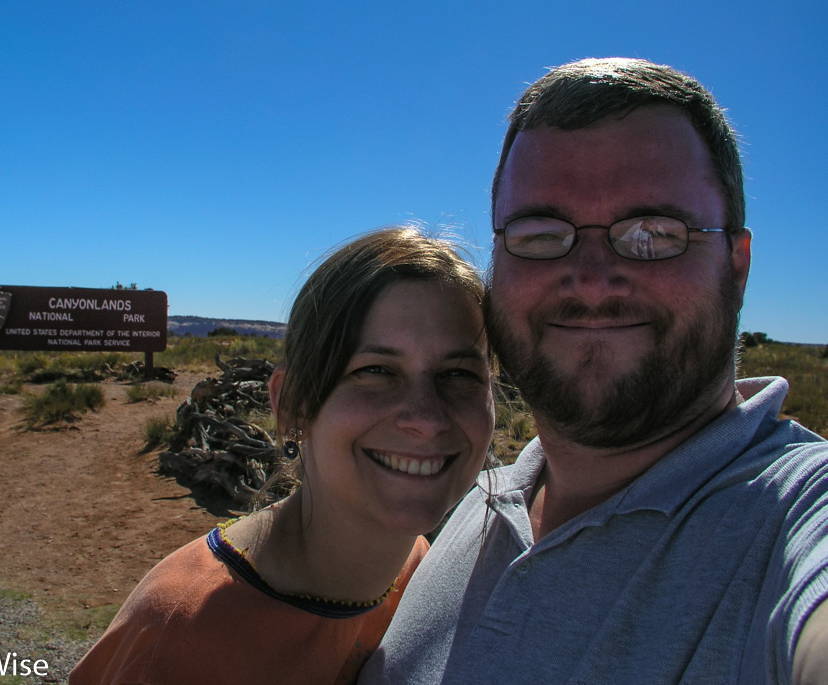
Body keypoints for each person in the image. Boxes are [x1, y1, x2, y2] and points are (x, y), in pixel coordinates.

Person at [359, 58, 828, 684]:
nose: (591, 278)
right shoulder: (478, 501)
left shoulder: (795, 518)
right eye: (541, 232)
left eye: (655, 232)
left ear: (735, 266)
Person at [69, 226, 495, 684]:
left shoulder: (421, 573)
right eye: (376, 371)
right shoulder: (179, 635)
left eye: (459, 373)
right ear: (292, 405)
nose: (427, 418)